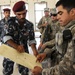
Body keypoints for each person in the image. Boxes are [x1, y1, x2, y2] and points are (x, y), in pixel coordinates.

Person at [32, 0, 75, 75]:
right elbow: (62, 46)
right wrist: (47, 53)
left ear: (72, 12)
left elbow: (67, 68)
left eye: (60, 13)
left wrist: (42, 72)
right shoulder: (68, 29)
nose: (57, 17)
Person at [2, 1, 38, 75]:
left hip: (23, 52)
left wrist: (34, 51)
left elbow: (31, 40)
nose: (22, 16)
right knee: (7, 71)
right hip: (10, 51)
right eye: (19, 14)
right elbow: (6, 37)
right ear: (15, 14)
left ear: (26, 11)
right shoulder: (9, 22)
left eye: (24, 13)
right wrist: (16, 46)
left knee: (25, 71)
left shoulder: (29, 25)